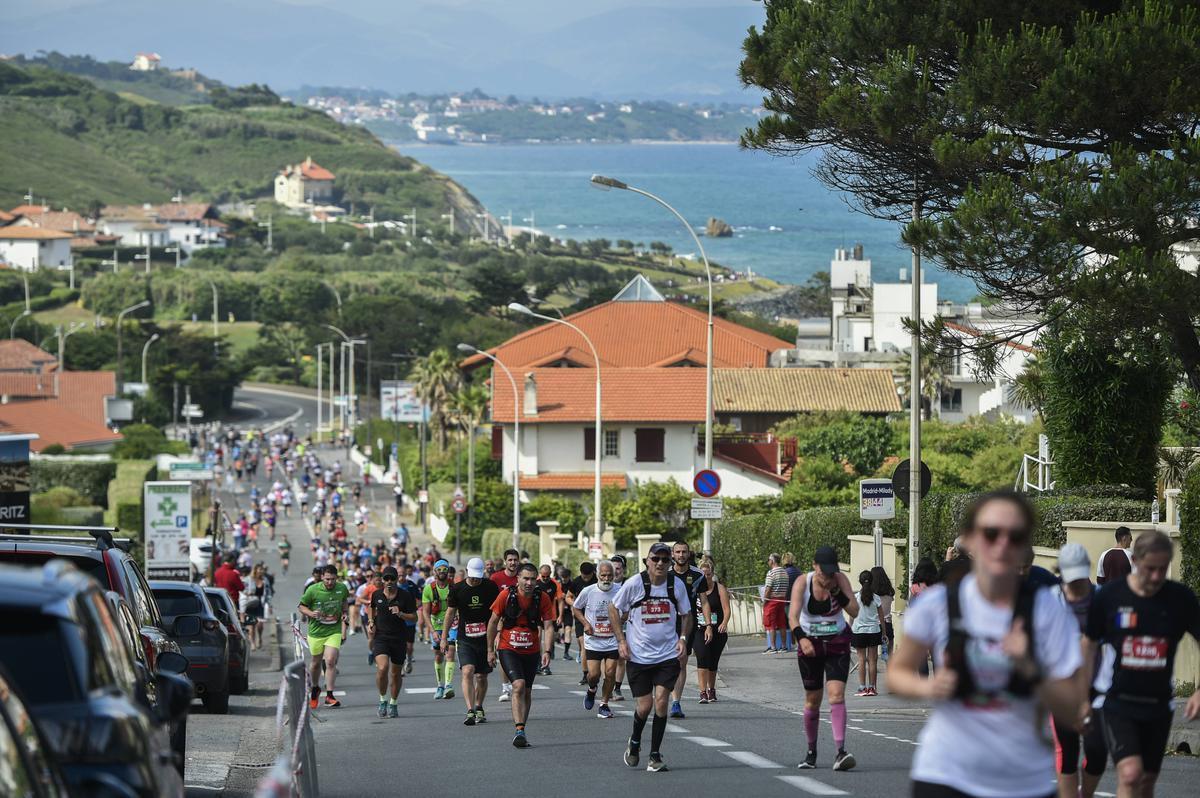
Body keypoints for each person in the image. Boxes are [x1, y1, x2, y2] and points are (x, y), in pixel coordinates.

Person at [889, 491, 1084, 797]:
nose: (1003, 544)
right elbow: (897, 674)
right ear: (969, 540)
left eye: (1015, 536)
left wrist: (1030, 668)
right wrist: (929, 687)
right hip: (945, 774)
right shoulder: (939, 604)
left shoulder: (1047, 609)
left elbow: (1073, 705)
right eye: (991, 533)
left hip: (1023, 781)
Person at [1082, 529, 1200, 798]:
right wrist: (1082, 695)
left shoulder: (1181, 599)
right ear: (1134, 560)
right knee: (1130, 774)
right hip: (1118, 701)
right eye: (1150, 569)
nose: (1157, 576)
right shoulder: (1110, 597)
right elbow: (1088, 645)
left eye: (1163, 569)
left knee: (1146, 782)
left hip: (1159, 704)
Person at [610, 542, 693, 773]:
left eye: (665, 560)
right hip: (638, 656)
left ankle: (654, 755)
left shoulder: (675, 585)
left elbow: (687, 615)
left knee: (662, 702)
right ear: (647, 560)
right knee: (644, 707)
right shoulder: (635, 584)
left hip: (667, 654)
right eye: (655, 559)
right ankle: (634, 741)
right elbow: (613, 609)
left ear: (670, 563)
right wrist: (621, 641)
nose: (660, 563)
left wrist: (683, 639)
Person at [788, 545, 859, 771]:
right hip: (810, 645)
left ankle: (840, 751)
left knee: (836, 695)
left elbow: (855, 610)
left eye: (831, 571)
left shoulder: (839, 579)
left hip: (837, 643)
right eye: (823, 571)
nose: (827, 576)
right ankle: (811, 753)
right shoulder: (802, 582)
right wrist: (802, 639)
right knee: (813, 700)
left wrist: (837, 591)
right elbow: (792, 616)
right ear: (814, 566)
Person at [1050, 543, 1108, 798]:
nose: (1076, 584)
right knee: (1068, 751)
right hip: (1060, 688)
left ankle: (1086, 794)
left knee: (1097, 752)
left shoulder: (1102, 598)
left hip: (1097, 687)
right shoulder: (1051, 600)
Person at [487, 563, 556, 748]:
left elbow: (549, 626)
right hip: (508, 647)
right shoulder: (506, 595)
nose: (529, 582)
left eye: (533, 579)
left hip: (531, 650)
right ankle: (518, 730)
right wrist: (490, 651)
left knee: (527, 691)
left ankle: (522, 729)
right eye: (525, 578)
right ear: (518, 579)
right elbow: (493, 622)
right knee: (518, 685)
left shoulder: (542, 598)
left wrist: (547, 651)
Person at [444, 557, 500, 726]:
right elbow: (450, 613)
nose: (475, 579)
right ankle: (470, 710)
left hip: (485, 638)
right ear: (467, 572)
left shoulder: (490, 587)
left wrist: (497, 636)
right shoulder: (457, 589)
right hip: (464, 637)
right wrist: (444, 637)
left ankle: (479, 706)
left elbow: (498, 613)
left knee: (481, 676)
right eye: (473, 575)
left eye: (478, 576)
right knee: (467, 670)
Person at [298, 565, 352, 709]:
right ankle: (315, 688)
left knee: (330, 660)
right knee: (315, 663)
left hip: (333, 630)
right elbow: (301, 606)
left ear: (337, 578)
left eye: (333, 579)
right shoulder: (313, 590)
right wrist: (310, 613)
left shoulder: (341, 588)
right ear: (322, 577)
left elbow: (344, 601)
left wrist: (345, 612)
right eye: (327, 579)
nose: (330, 582)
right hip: (316, 632)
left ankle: (330, 695)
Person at [572, 559, 620, 718]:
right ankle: (592, 689)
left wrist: (622, 620)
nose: (607, 579)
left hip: (613, 639)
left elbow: (628, 608)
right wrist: (585, 623)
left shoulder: (620, 590)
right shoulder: (588, 591)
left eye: (610, 576)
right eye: (604, 575)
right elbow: (576, 608)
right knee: (593, 675)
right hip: (594, 640)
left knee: (611, 672)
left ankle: (604, 704)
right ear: (597, 575)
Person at [368, 566, 417, 718]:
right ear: (382, 580)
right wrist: (371, 621)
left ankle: (393, 703)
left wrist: (401, 613)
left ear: (396, 580)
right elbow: (371, 608)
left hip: (398, 638)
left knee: (395, 674)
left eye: (392, 579)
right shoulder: (376, 594)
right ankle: (383, 700)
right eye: (386, 579)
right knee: (382, 668)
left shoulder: (405, 596)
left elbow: (414, 617)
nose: (389, 582)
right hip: (381, 637)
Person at [668, 540, 710, 719]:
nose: (681, 555)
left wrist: (708, 625)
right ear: (672, 554)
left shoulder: (698, 574)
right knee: (669, 662)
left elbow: (704, 601)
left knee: (681, 660)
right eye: (677, 552)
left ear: (688, 554)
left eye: (684, 552)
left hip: (688, 622)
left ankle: (676, 702)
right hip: (667, 624)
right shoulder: (666, 575)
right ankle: (666, 694)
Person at [693, 555, 730, 703]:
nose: (706, 577)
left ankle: (711, 689)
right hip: (699, 629)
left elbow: (727, 609)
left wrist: (724, 622)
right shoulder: (695, 588)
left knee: (713, 662)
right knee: (702, 658)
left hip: (717, 630)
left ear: (712, 574)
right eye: (702, 575)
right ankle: (702, 692)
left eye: (708, 574)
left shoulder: (719, 588)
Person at [422, 559, 457, 700]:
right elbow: (425, 612)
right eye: (439, 569)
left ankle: (449, 685)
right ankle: (440, 685)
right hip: (436, 625)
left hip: (452, 624)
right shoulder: (429, 589)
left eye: (445, 569)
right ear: (434, 572)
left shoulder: (454, 587)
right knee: (438, 656)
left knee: (450, 652)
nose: (442, 572)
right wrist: (431, 630)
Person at [491, 549, 521, 702]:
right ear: (505, 562)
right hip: (501, 621)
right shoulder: (496, 578)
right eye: (510, 560)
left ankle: (519, 684)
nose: (513, 562)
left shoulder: (523, 577)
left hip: (522, 623)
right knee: (504, 652)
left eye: (515, 559)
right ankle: (505, 687)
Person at [851, 570, 882, 696]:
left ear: (860, 581)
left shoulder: (856, 597)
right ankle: (872, 687)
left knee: (861, 659)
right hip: (874, 631)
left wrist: (849, 627)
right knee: (873, 660)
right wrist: (884, 632)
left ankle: (862, 687)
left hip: (859, 631)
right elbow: (881, 617)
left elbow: (852, 615)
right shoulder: (876, 598)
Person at [565, 561, 597, 681]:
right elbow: (568, 597)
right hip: (580, 616)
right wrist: (576, 604)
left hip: (595, 616)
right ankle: (585, 674)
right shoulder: (577, 582)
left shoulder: (597, 581)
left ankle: (592, 671)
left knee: (589, 646)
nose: (586, 579)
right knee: (583, 644)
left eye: (588, 576)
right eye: (584, 576)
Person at [535, 564, 562, 675]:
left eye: (547, 576)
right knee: (537, 638)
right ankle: (537, 663)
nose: (545, 578)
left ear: (550, 574)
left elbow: (560, 600)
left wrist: (560, 615)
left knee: (548, 640)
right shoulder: (535, 583)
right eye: (543, 576)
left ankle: (546, 665)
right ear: (539, 574)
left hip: (549, 615)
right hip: (536, 615)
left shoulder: (555, 584)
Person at [763, 553, 790, 654]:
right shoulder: (785, 572)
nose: (768, 562)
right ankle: (783, 646)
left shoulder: (771, 573)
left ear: (772, 561)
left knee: (771, 624)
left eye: (768, 560)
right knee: (782, 623)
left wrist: (765, 600)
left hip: (772, 600)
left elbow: (768, 588)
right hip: (782, 599)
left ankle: (773, 647)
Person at [213, 555, 245, 622]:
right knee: (234, 621)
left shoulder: (217, 572)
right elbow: (241, 587)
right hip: (232, 600)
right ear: (231, 561)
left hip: (219, 600)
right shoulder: (233, 573)